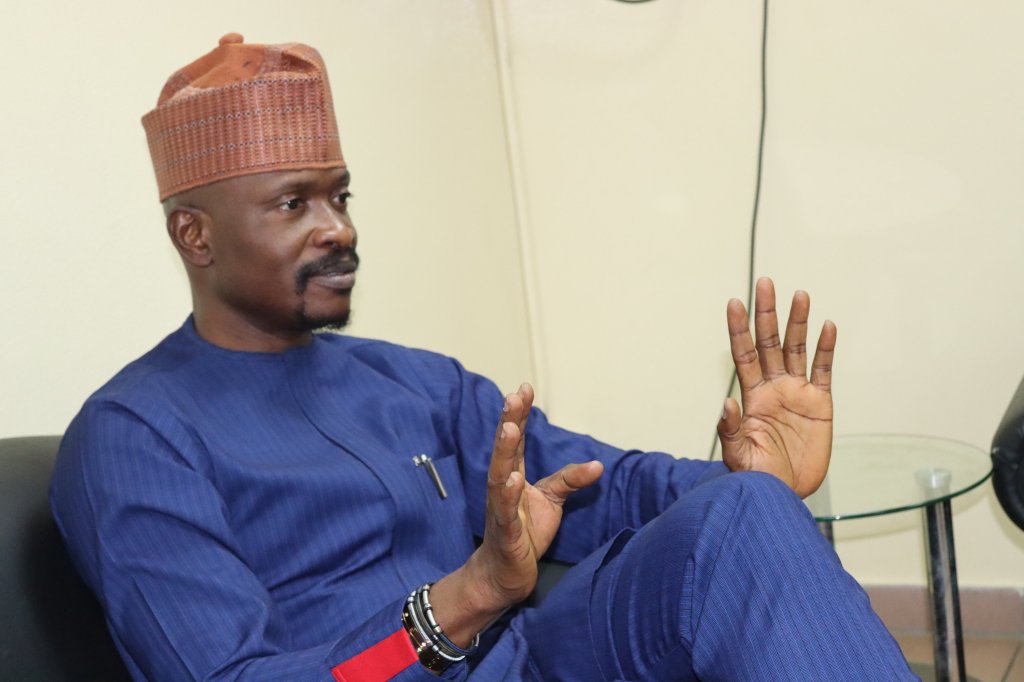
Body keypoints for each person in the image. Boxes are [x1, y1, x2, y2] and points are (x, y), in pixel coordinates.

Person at [50, 34, 915, 681]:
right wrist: (464, 599)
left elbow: (597, 483)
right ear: (194, 235)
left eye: (340, 196)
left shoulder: (410, 381)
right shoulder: (136, 436)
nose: (339, 228)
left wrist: (747, 478)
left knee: (743, 515)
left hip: (529, 659)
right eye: (293, 204)